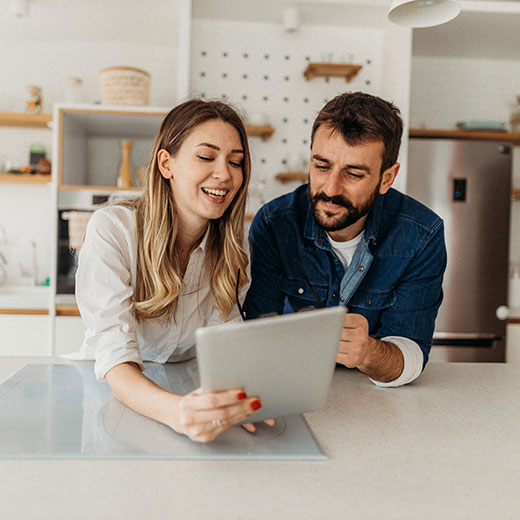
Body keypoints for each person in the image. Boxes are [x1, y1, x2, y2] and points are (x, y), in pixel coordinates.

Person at [75, 99, 268, 443]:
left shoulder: (233, 248)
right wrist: (177, 413)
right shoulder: (113, 229)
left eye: (235, 162)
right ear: (167, 164)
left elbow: (226, 346)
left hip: (189, 399)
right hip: (114, 398)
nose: (224, 174)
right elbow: (115, 355)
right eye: (206, 157)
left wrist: (241, 402)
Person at [244, 92, 447, 387]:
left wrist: (368, 352)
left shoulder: (421, 235)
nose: (330, 188)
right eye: (321, 166)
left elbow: (411, 354)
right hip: (291, 385)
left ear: (387, 178)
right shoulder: (274, 223)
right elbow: (255, 330)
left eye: (353, 174)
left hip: (375, 407)